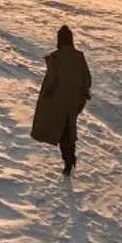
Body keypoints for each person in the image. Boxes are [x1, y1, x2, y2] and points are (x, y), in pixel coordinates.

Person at [31, 24, 92, 175]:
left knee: (58, 129)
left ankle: (68, 161)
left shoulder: (56, 58)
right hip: (74, 102)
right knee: (69, 130)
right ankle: (70, 159)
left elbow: (50, 81)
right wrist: (82, 95)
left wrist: (45, 97)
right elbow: (87, 78)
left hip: (57, 101)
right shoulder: (79, 56)